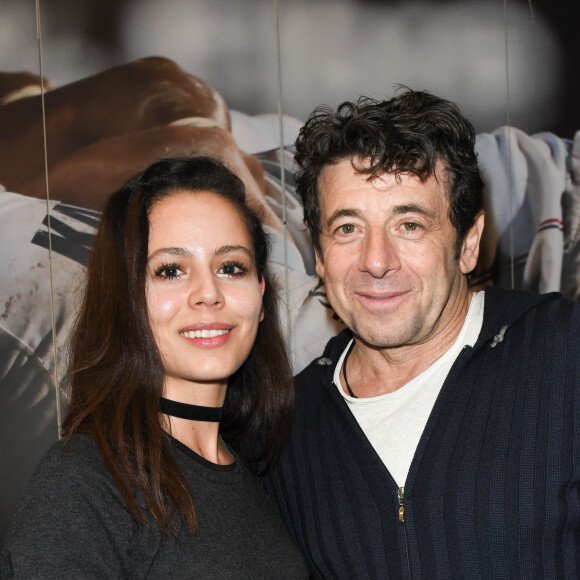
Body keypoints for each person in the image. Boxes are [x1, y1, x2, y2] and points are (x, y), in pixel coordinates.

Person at [260, 89, 580, 578]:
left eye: (409, 224)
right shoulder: (283, 431)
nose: (376, 260)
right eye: (347, 228)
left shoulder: (564, 353)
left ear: (468, 243)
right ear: (319, 255)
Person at [1, 156, 308, 578]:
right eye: (171, 270)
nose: (208, 293)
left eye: (230, 267)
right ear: (127, 300)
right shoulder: (86, 482)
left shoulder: (264, 479)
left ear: (259, 296)